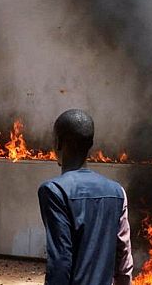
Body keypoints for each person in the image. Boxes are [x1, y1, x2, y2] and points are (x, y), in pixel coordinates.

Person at [38, 109, 133, 285]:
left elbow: (60, 260)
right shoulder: (118, 192)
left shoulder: (54, 191)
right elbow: (123, 258)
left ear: (58, 143)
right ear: (90, 144)